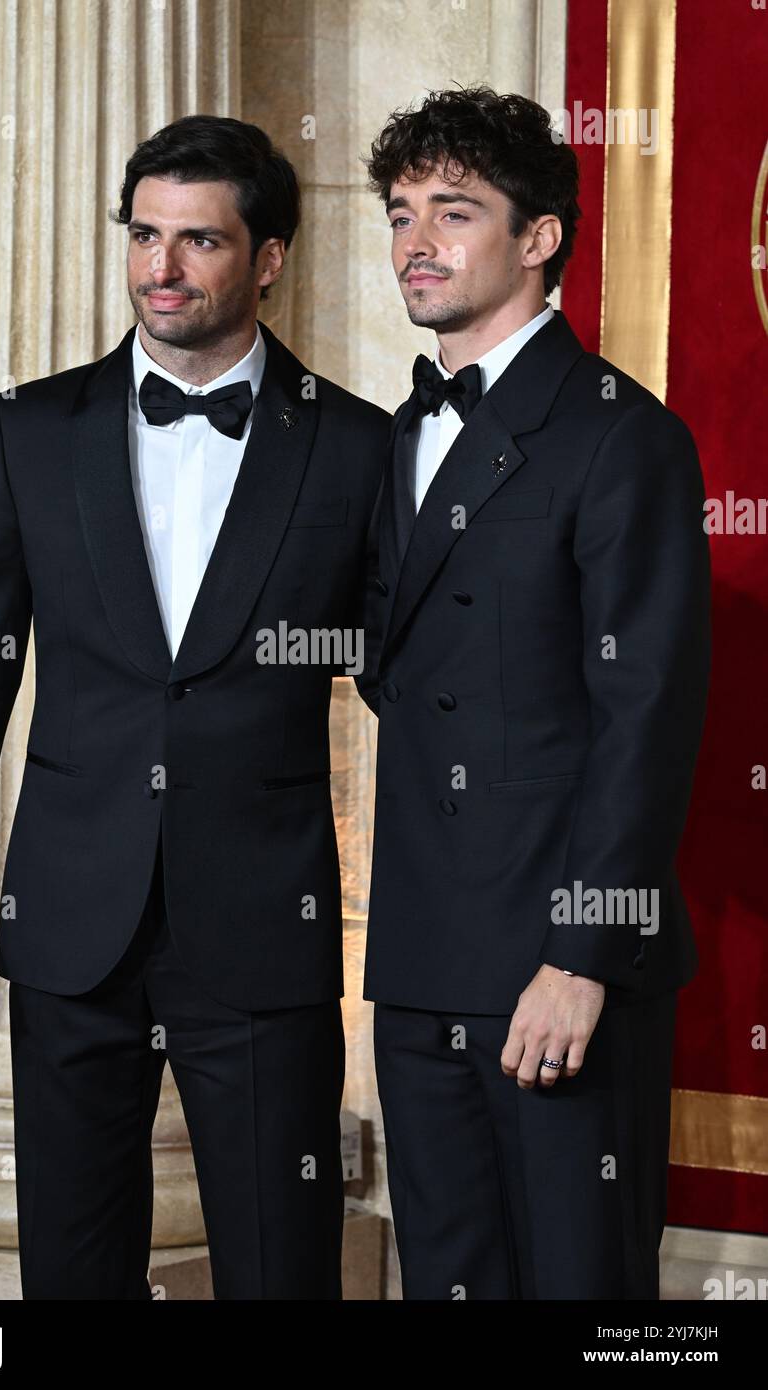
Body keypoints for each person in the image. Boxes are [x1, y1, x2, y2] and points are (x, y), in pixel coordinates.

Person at [0, 115, 389, 1300]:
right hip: (68, 921)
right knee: (70, 1269)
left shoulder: (357, 447)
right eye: (144, 237)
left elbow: (414, 681)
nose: (159, 269)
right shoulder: (32, 431)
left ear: (266, 259)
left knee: (282, 1269)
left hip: (264, 924)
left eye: (197, 242)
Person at [358, 86, 710, 1299]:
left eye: (453, 212)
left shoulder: (624, 438)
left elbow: (645, 720)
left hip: (558, 965)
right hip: (415, 959)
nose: (415, 242)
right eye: (400, 212)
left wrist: (580, 955)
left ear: (539, 236)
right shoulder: (391, 439)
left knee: (580, 1289)